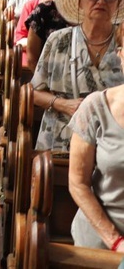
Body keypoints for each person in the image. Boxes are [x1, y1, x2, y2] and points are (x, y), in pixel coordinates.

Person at [31, 0, 124, 152]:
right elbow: (34, 92)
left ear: (118, 3)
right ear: (80, 1)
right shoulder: (59, 41)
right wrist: (63, 104)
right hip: (60, 141)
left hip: (110, 145)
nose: (101, 1)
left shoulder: (122, 43)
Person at [68, 26, 124, 250]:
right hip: (103, 238)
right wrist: (117, 242)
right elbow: (78, 183)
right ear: (121, 55)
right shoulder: (95, 107)